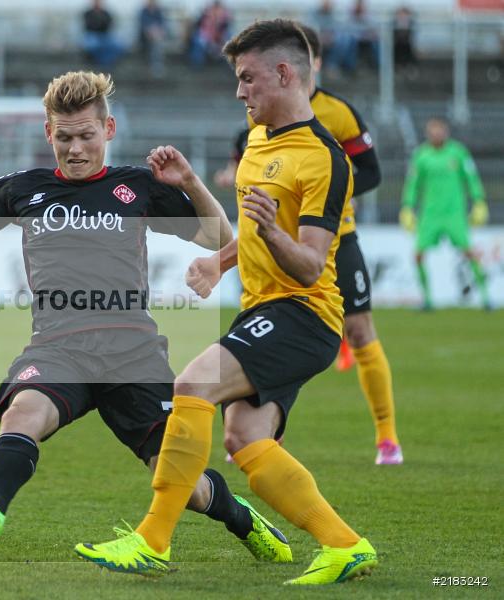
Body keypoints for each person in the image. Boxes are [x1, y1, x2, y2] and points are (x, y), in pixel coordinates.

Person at [0, 71, 292, 564]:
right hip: (59, 347)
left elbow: (216, 237)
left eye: (85, 135)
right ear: (48, 134)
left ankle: (245, 521)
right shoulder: (24, 189)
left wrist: (189, 182)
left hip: (133, 352)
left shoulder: (138, 187)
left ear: (109, 129)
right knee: (24, 412)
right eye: (64, 137)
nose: (75, 149)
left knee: (181, 482)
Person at [75, 20, 377, 585]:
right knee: (246, 441)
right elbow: (259, 230)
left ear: (284, 74)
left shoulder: (325, 159)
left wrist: (272, 233)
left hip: (303, 313)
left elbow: (310, 261)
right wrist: (220, 259)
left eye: (247, 79)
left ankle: (152, 540)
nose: (240, 92)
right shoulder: (259, 137)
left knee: (191, 386)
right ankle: (345, 544)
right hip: (263, 310)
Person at [214, 24, 402, 466]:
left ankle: (387, 437)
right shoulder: (261, 113)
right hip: (274, 244)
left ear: (304, 64)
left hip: (336, 238)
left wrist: (326, 197)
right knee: (279, 330)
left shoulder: (338, 115)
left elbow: (370, 172)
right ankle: (263, 430)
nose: (242, 91)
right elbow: (248, 159)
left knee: (359, 332)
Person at [400, 117, 490, 311]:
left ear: (446, 132)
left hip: (454, 214)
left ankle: (486, 298)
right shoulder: (422, 156)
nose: (436, 135)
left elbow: (472, 178)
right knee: (418, 255)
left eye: (439, 131)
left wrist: (479, 200)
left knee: (470, 253)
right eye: (433, 131)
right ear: (427, 134)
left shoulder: (458, 152)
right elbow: (413, 184)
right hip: (430, 215)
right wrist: (407, 206)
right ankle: (427, 300)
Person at [188, 0, 232, 67]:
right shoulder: (206, 12)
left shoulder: (224, 14)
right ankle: (196, 64)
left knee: (229, 41)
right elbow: (198, 26)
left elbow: (225, 27)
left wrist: (218, 39)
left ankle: (228, 64)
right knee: (197, 41)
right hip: (206, 36)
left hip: (219, 37)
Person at [82, 0, 124, 68]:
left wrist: (98, 24)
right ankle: (100, 62)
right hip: (92, 35)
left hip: (104, 35)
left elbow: (109, 25)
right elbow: (88, 26)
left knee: (117, 45)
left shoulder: (106, 13)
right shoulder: (88, 13)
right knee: (94, 45)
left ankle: (106, 62)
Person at [139, 0, 167, 78]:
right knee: (156, 42)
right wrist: (152, 32)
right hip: (145, 38)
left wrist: (158, 32)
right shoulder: (143, 12)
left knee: (157, 42)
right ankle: (156, 66)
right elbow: (143, 27)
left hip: (157, 37)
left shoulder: (159, 11)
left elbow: (163, 26)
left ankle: (156, 66)